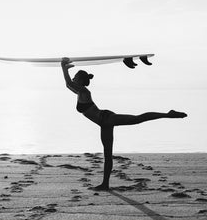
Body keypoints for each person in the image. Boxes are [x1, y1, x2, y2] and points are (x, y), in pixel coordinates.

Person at [61, 57, 187, 190]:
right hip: (103, 123)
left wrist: (63, 66)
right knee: (107, 154)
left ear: (80, 80)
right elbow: (68, 84)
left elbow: (68, 82)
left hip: (107, 118)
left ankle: (168, 114)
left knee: (137, 119)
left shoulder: (84, 92)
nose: (73, 79)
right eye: (74, 77)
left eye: (76, 77)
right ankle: (105, 184)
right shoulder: (80, 92)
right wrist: (66, 69)